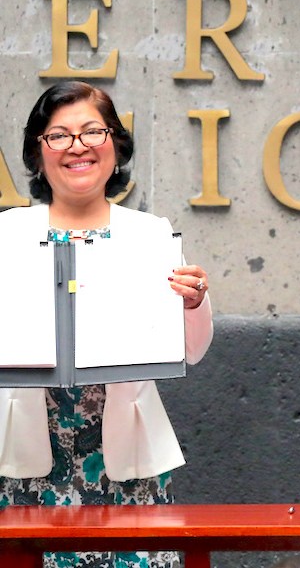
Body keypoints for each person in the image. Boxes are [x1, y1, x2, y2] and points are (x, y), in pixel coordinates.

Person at [0, 81, 214, 568]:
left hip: (127, 463)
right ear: (37, 155)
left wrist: (194, 303)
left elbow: (192, 350)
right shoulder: (6, 235)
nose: (77, 146)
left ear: (115, 146)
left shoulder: (149, 234)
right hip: (27, 461)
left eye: (92, 131)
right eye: (59, 135)